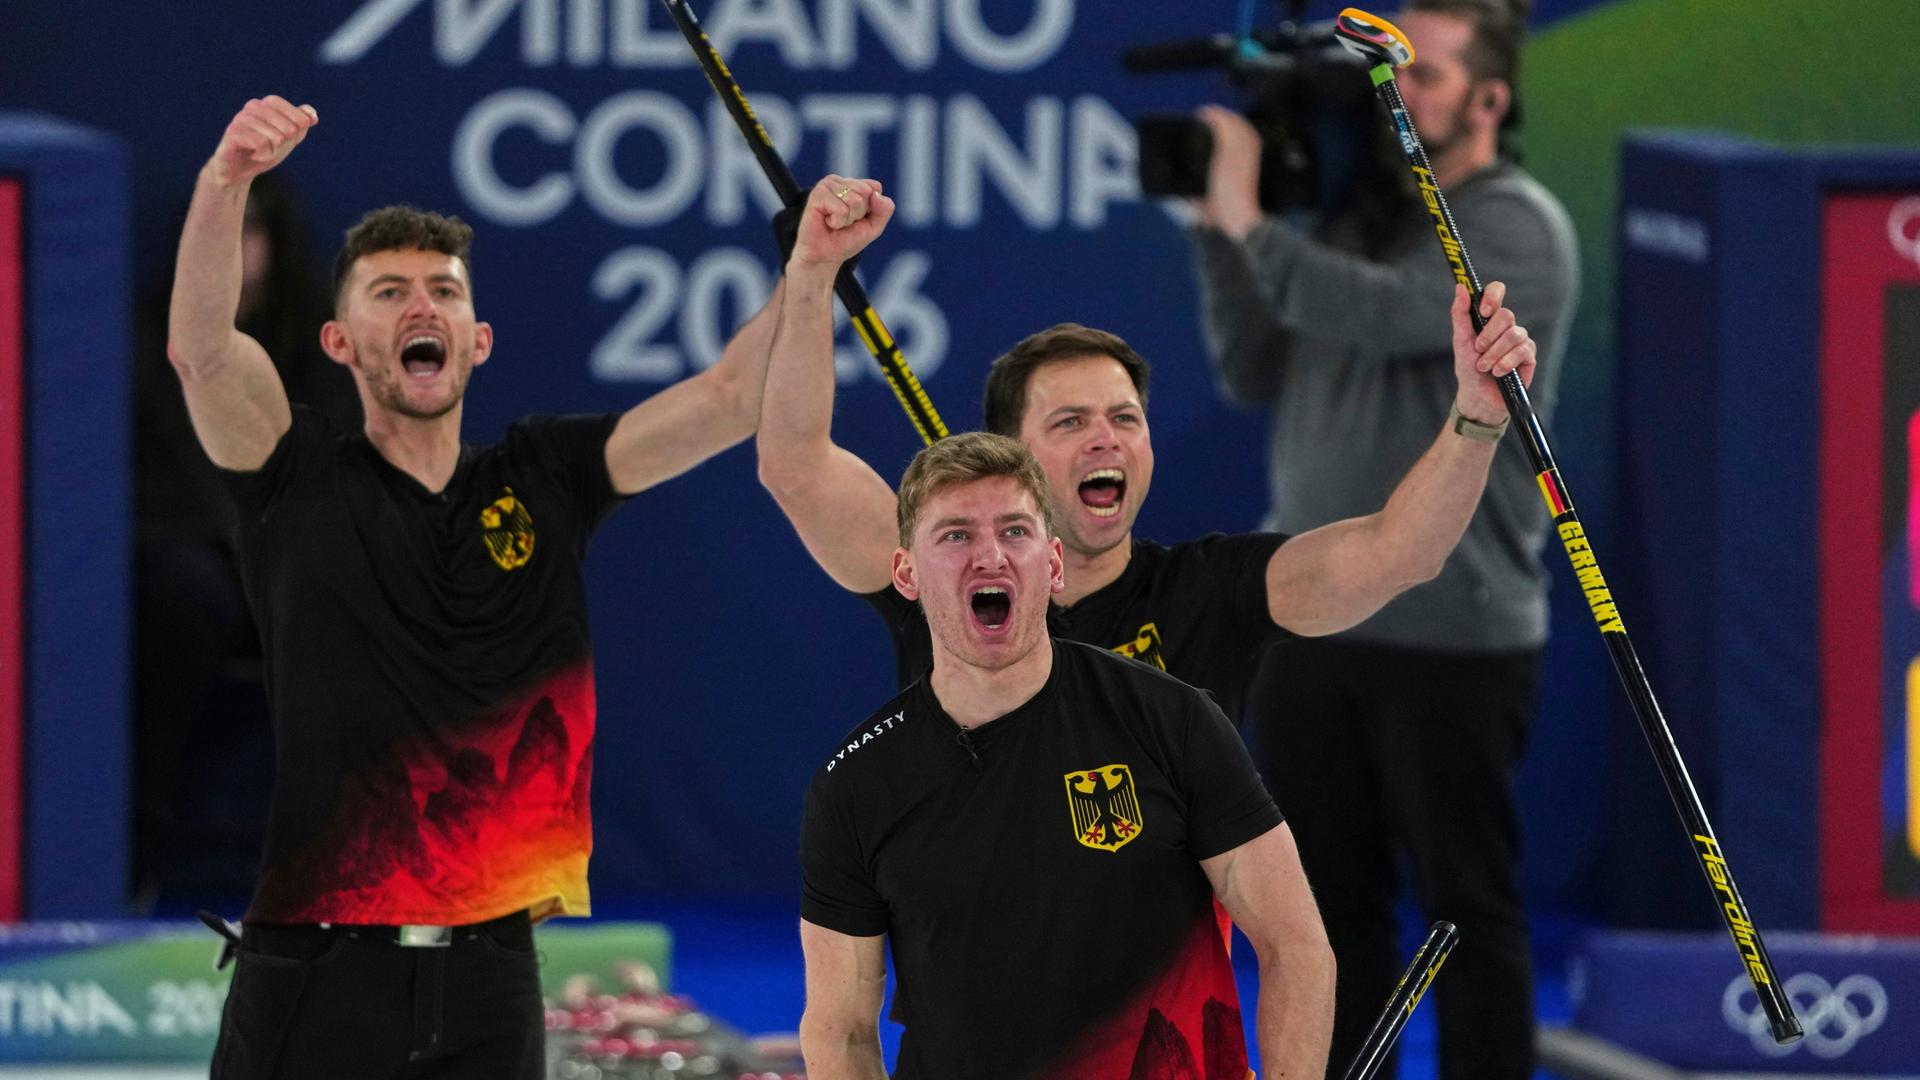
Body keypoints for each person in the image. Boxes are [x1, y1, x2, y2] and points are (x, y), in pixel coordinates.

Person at [169, 95, 780, 1079]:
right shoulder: (293, 480)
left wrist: (811, 271)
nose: (421, 306)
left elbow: (727, 399)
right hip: (316, 965)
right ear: (338, 342)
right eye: (388, 291)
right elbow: (201, 350)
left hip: (494, 970)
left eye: (443, 291)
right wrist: (226, 178)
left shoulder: (547, 476)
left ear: (478, 338)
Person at [757, 174, 1536, 735]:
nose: (1106, 437)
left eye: (1125, 418)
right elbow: (795, 464)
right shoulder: (937, 575)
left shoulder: (1212, 594)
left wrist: (1475, 417)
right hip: (976, 958)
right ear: (1009, 457)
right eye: (1069, 422)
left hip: (1166, 964)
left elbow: (1397, 553)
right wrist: (813, 272)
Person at [1186, 2, 1579, 1077]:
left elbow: (1384, 312)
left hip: (1454, 631)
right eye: (1388, 71)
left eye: (1427, 74)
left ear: (1492, 100)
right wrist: (1220, 238)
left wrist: (1250, 222)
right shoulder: (1350, 222)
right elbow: (1252, 370)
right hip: (1313, 614)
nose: (1395, 91)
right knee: (1328, 914)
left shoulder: (1515, 226)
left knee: (1469, 913)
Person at [796, 431, 1335, 1077]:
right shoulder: (856, 784)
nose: (989, 556)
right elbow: (841, 1032)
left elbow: (1294, 945)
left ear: (1052, 563)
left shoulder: (1170, 718)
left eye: (1015, 531)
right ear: (906, 573)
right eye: (956, 535)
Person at [133, 169, 361, 904]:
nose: (234, 254)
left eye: (249, 234)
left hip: (290, 559)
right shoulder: (143, 341)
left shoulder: (322, 345)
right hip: (193, 560)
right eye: (218, 235)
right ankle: (137, 851)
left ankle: (346, 866)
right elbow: (158, 480)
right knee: (181, 594)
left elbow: (338, 470)